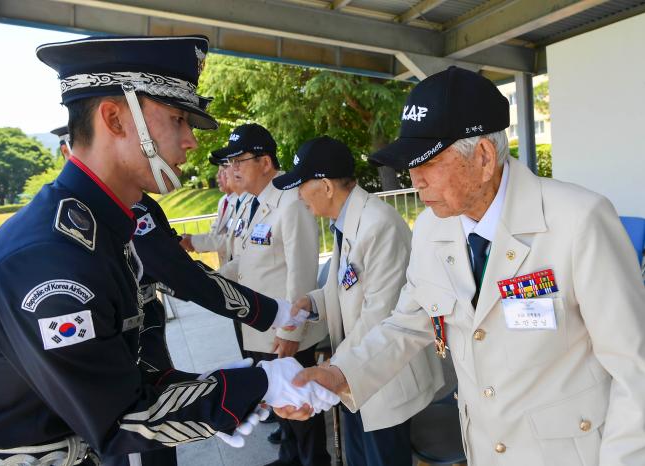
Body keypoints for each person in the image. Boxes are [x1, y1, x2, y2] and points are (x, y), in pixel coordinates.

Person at [0, 35, 338, 466]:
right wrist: (257, 387)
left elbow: (129, 376)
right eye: (177, 120)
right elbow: (119, 417)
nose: (191, 141)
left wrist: (241, 387)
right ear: (114, 119)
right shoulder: (50, 260)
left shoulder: (106, 228)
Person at [286, 66, 645, 466]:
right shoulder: (429, 230)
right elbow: (406, 323)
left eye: (426, 163)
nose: (414, 180)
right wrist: (340, 374)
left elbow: (636, 369)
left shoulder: (579, 221)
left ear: (484, 157)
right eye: (410, 164)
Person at [273, 136, 444, 466]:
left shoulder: (378, 225)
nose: (297, 195)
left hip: (382, 377)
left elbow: (379, 315)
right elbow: (348, 285)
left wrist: (332, 371)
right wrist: (312, 302)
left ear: (325, 186)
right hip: (353, 370)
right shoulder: (347, 223)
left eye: (300, 185)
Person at [216, 124, 330, 466]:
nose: (233, 168)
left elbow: (302, 273)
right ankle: (290, 458)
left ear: (265, 162)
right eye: (231, 161)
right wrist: (203, 280)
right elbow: (247, 261)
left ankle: (313, 462)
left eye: (241, 160)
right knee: (280, 404)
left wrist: (290, 332)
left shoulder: (290, 203)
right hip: (260, 327)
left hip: (285, 332)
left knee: (302, 409)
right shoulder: (254, 203)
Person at [180, 157, 234, 265]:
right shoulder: (223, 201)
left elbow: (232, 240)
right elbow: (214, 233)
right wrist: (190, 239)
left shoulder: (246, 200)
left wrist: (192, 241)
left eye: (222, 172)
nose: (217, 177)